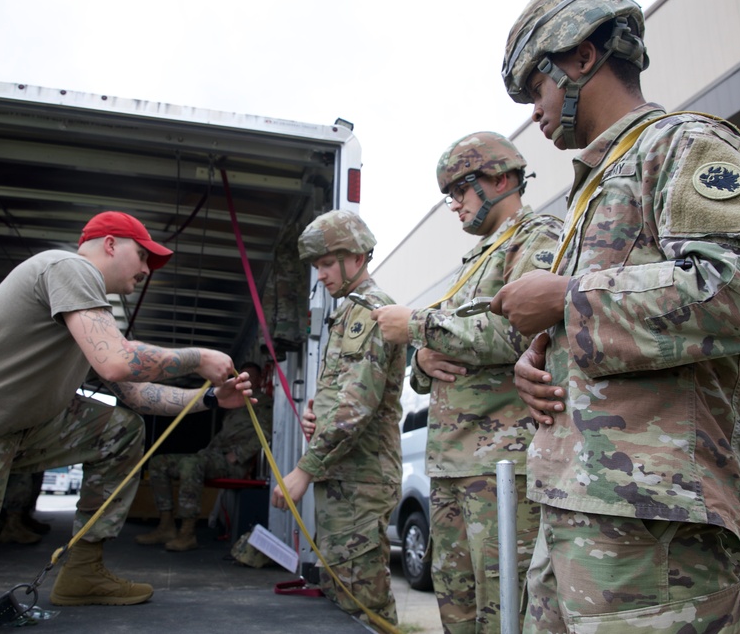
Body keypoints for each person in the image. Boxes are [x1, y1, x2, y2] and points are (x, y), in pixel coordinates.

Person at [492, 0, 740, 632]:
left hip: (657, 528)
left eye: (535, 87)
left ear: (580, 57)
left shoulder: (682, 147)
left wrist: (568, 301)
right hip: (581, 509)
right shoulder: (597, 187)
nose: (534, 111)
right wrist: (539, 359)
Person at [0, 211, 252, 634]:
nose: (147, 269)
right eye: (143, 255)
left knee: (120, 429)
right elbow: (117, 362)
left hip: (12, 434)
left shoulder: (85, 311)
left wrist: (209, 398)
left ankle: (83, 571)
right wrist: (197, 357)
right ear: (111, 244)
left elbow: (136, 395)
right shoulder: (68, 267)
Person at [369, 132, 561, 633]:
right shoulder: (476, 261)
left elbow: (521, 331)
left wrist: (418, 326)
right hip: (454, 466)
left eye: (460, 190)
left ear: (499, 179)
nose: (454, 205)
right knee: (458, 607)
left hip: (503, 466)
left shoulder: (535, 237)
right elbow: (440, 354)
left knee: (507, 611)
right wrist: (423, 359)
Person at [270, 210, 405, 626]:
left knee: (362, 602)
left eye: (327, 264)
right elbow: (345, 396)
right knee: (342, 592)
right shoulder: (348, 311)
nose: (321, 276)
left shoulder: (369, 311)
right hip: (347, 475)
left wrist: (303, 471)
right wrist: (317, 409)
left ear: (357, 258)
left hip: (360, 481)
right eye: (317, 266)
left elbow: (355, 408)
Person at [133, 361, 274, 551]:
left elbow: (265, 433)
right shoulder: (235, 400)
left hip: (232, 464)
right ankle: (166, 525)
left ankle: (187, 533)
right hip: (212, 456)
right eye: (242, 375)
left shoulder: (263, 402)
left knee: (191, 464)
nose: (244, 379)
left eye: (250, 376)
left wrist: (238, 455)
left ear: (257, 380)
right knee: (159, 462)